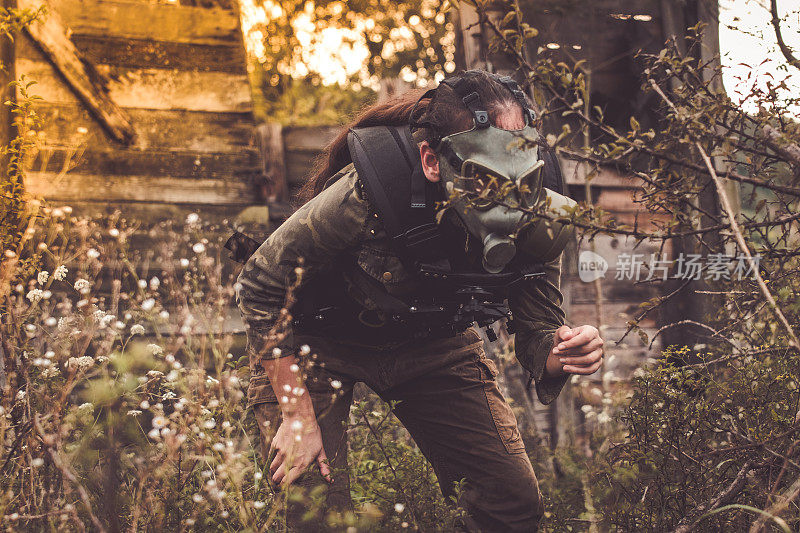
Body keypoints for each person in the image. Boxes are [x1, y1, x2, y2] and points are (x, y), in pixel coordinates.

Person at [235, 69, 604, 531]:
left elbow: (537, 333)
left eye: (520, 177)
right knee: (310, 511)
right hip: (318, 342)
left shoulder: (541, 215)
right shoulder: (371, 190)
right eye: (483, 178)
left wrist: (561, 352)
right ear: (432, 160)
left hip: (433, 342)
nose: (509, 199)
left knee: (510, 504)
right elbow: (260, 282)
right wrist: (295, 412)